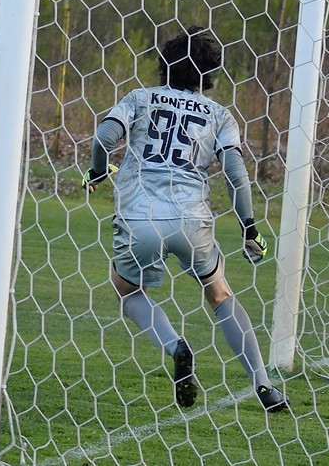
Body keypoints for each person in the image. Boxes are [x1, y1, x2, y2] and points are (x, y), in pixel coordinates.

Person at [82, 25, 287, 412]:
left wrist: (96, 171)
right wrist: (249, 228)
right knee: (219, 292)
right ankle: (265, 386)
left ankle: (176, 345)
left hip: (140, 216)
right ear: (208, 75)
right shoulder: (219, 115)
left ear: (164, 66)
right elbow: (236, 174)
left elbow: (103, 138)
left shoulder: (140, 98)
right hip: (191, 220)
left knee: (128, 291)